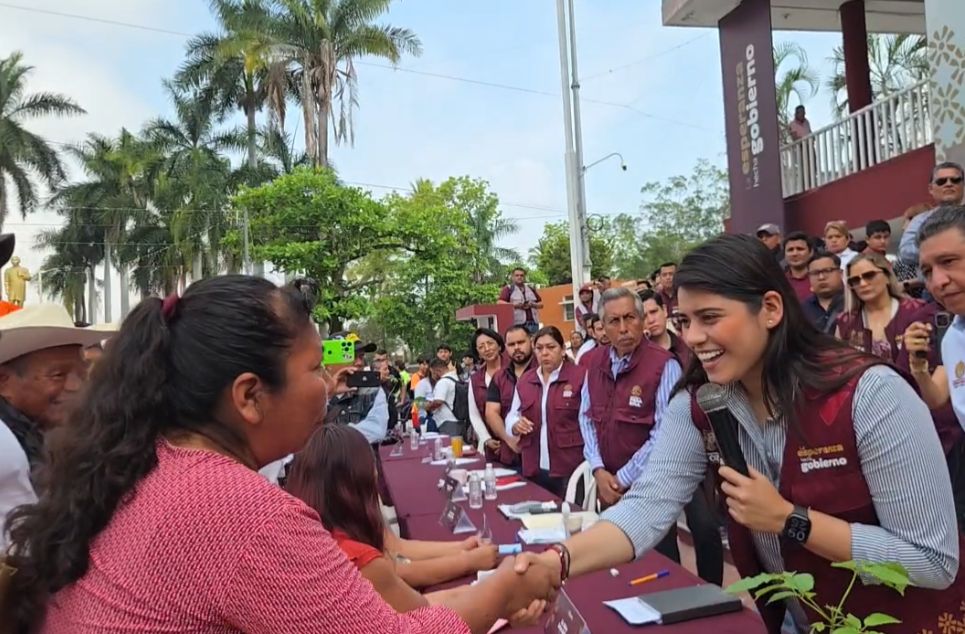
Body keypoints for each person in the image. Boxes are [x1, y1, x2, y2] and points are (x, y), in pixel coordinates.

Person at [4, 275, 559, 633]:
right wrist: (507, 589)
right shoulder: (233, 511)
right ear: (249, 396)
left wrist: (493, 592)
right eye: (314, 367)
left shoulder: (149, 466)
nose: (328, 384)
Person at [515, 235, 963, 634]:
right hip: (793, 615)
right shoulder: (702, 402)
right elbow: (648, 506)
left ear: (770, 308)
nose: (694, 337)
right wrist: (557, 562)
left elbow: (931, 561)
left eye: (710, 317)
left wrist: (792, 520)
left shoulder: (868, 395)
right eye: (684, 321)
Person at [285, 425, 534, 613]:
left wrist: (462, 548)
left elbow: (397, 548)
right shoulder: (357, 557)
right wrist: (494, 585)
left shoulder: (307, 527)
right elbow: (420, 606)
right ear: (359, 479)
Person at [578, 287, 683, 560]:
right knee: (613, 565)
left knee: (658, 565)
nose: (624, 328)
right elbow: (586, 417)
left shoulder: (664, 365)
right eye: (614, 321)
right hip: (606, 482)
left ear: (641, 319)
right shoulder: (594, 362)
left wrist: (622, 479)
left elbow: (664, 433)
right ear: (602, 326)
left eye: (630, 318)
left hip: (648, 487)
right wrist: (599, 469)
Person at [638, 290, 724, 585]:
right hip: (656, 454)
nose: (649, 320)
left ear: (664, 311)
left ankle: (713, 591)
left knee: (706, 527)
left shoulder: (691, 347)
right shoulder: (642, 359)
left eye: (653, 312)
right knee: (663, 533)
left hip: (700, 447)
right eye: (644, 315)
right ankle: (674, 588)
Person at [0, 304, 101, 548]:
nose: (77, 386)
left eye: (83, 373)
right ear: (3, 383)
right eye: (58, 375)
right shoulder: (7, 447)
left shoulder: (54, 435)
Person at [905, 206, 965, 528]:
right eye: (927, 271)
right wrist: (918, 367)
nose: (938, 281)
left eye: (949, 262)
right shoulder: (952, 336)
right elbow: (938, 398)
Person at [505, 327, 586, 497]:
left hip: (569, 465)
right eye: (539, 348)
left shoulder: (580, 376)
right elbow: (512, 415)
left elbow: (589, 422)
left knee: (570, 516)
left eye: (551, 347)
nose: (545, 353)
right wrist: (515, 424)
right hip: (533, 465)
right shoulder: (526, 380)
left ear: (563, 349)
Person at [485, 325, 536, 468]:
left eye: (521, 342)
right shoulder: (499, 377)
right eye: (512, 344)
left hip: (540, 453)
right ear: (506, 347)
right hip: (510, 454)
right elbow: (491, 412)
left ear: (531, 341)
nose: (517, 348)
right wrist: (510, 440)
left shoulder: (542, 370)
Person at [899, 161, 965, 267]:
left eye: (955, 180)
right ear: (931, 189)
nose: (949, 184)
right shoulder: (919, 220)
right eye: (941, 181)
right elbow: (906, 252)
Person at [326, 344, 389, 446]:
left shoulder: (372, 391)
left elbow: (376, 430)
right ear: (330, 362)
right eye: (352, 356)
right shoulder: (318, 392)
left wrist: (328, 437)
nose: (359, 363)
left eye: (361, 356)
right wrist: (327, 394)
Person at [465, 328, 505, 454]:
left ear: (499, 345)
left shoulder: (513, 371)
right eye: (481, 347)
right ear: (478, 352)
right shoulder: (475, 379)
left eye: (490, 343)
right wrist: (486, 438)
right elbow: (474, 414)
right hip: (490, 446)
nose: (487, 349)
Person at [802, 252, 845, 334]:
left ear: (840, 273)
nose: (821, 277)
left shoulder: (855, 302)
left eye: (827, 271)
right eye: (815, 273)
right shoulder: (802, 310)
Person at [498, 267, 543, 333]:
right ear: (513, 277)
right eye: (517, 275)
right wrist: (516, 305)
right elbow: (499, 302)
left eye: (522, 275)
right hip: (517, 324)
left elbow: (541, 305)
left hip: (533, 323)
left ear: (524, 277)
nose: (519, 277)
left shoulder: (531, 289)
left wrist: (533, 305)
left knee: (534, 342)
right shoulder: (508, 289)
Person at [426, 358, 463, 437]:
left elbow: (438, 401)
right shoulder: (456, 378)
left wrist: (427, 406)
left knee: (449, 446)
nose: (432, 376)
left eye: (432, 373)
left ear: (437, 370)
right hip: (457, 419)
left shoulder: (443, 382)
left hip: (447, 421)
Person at [782, 231, 814, 302]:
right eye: (790, 250)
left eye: (800, 249)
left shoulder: (820, 278)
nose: (795, 253)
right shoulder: (779, 282)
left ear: (811, 252)